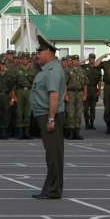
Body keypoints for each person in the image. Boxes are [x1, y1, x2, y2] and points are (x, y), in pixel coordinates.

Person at [31, 35, 65, 200]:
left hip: (50, 116)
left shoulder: (52, 70)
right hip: (44, 115)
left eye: (40, 51)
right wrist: (35, 62)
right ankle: (49, 188)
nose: (37, 54)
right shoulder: (46, 68)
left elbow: (54, 97)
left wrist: (51, 119)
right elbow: (36, 74)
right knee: (51, 155)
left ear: (49, 53)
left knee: (54, 155)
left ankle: (54, 190)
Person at [13, 52, 36, 140]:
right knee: (19, 112)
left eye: (26, 59)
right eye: (23, 59)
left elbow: (35, 83)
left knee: (28, 112)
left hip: (29, 91)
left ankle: (26, 132)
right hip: (19, 91)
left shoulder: (32, 70)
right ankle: (20, 132)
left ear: (28, 60)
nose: (24, 60)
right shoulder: (17, 70)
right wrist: (13, 96)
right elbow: (14, 84)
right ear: (21, 60)